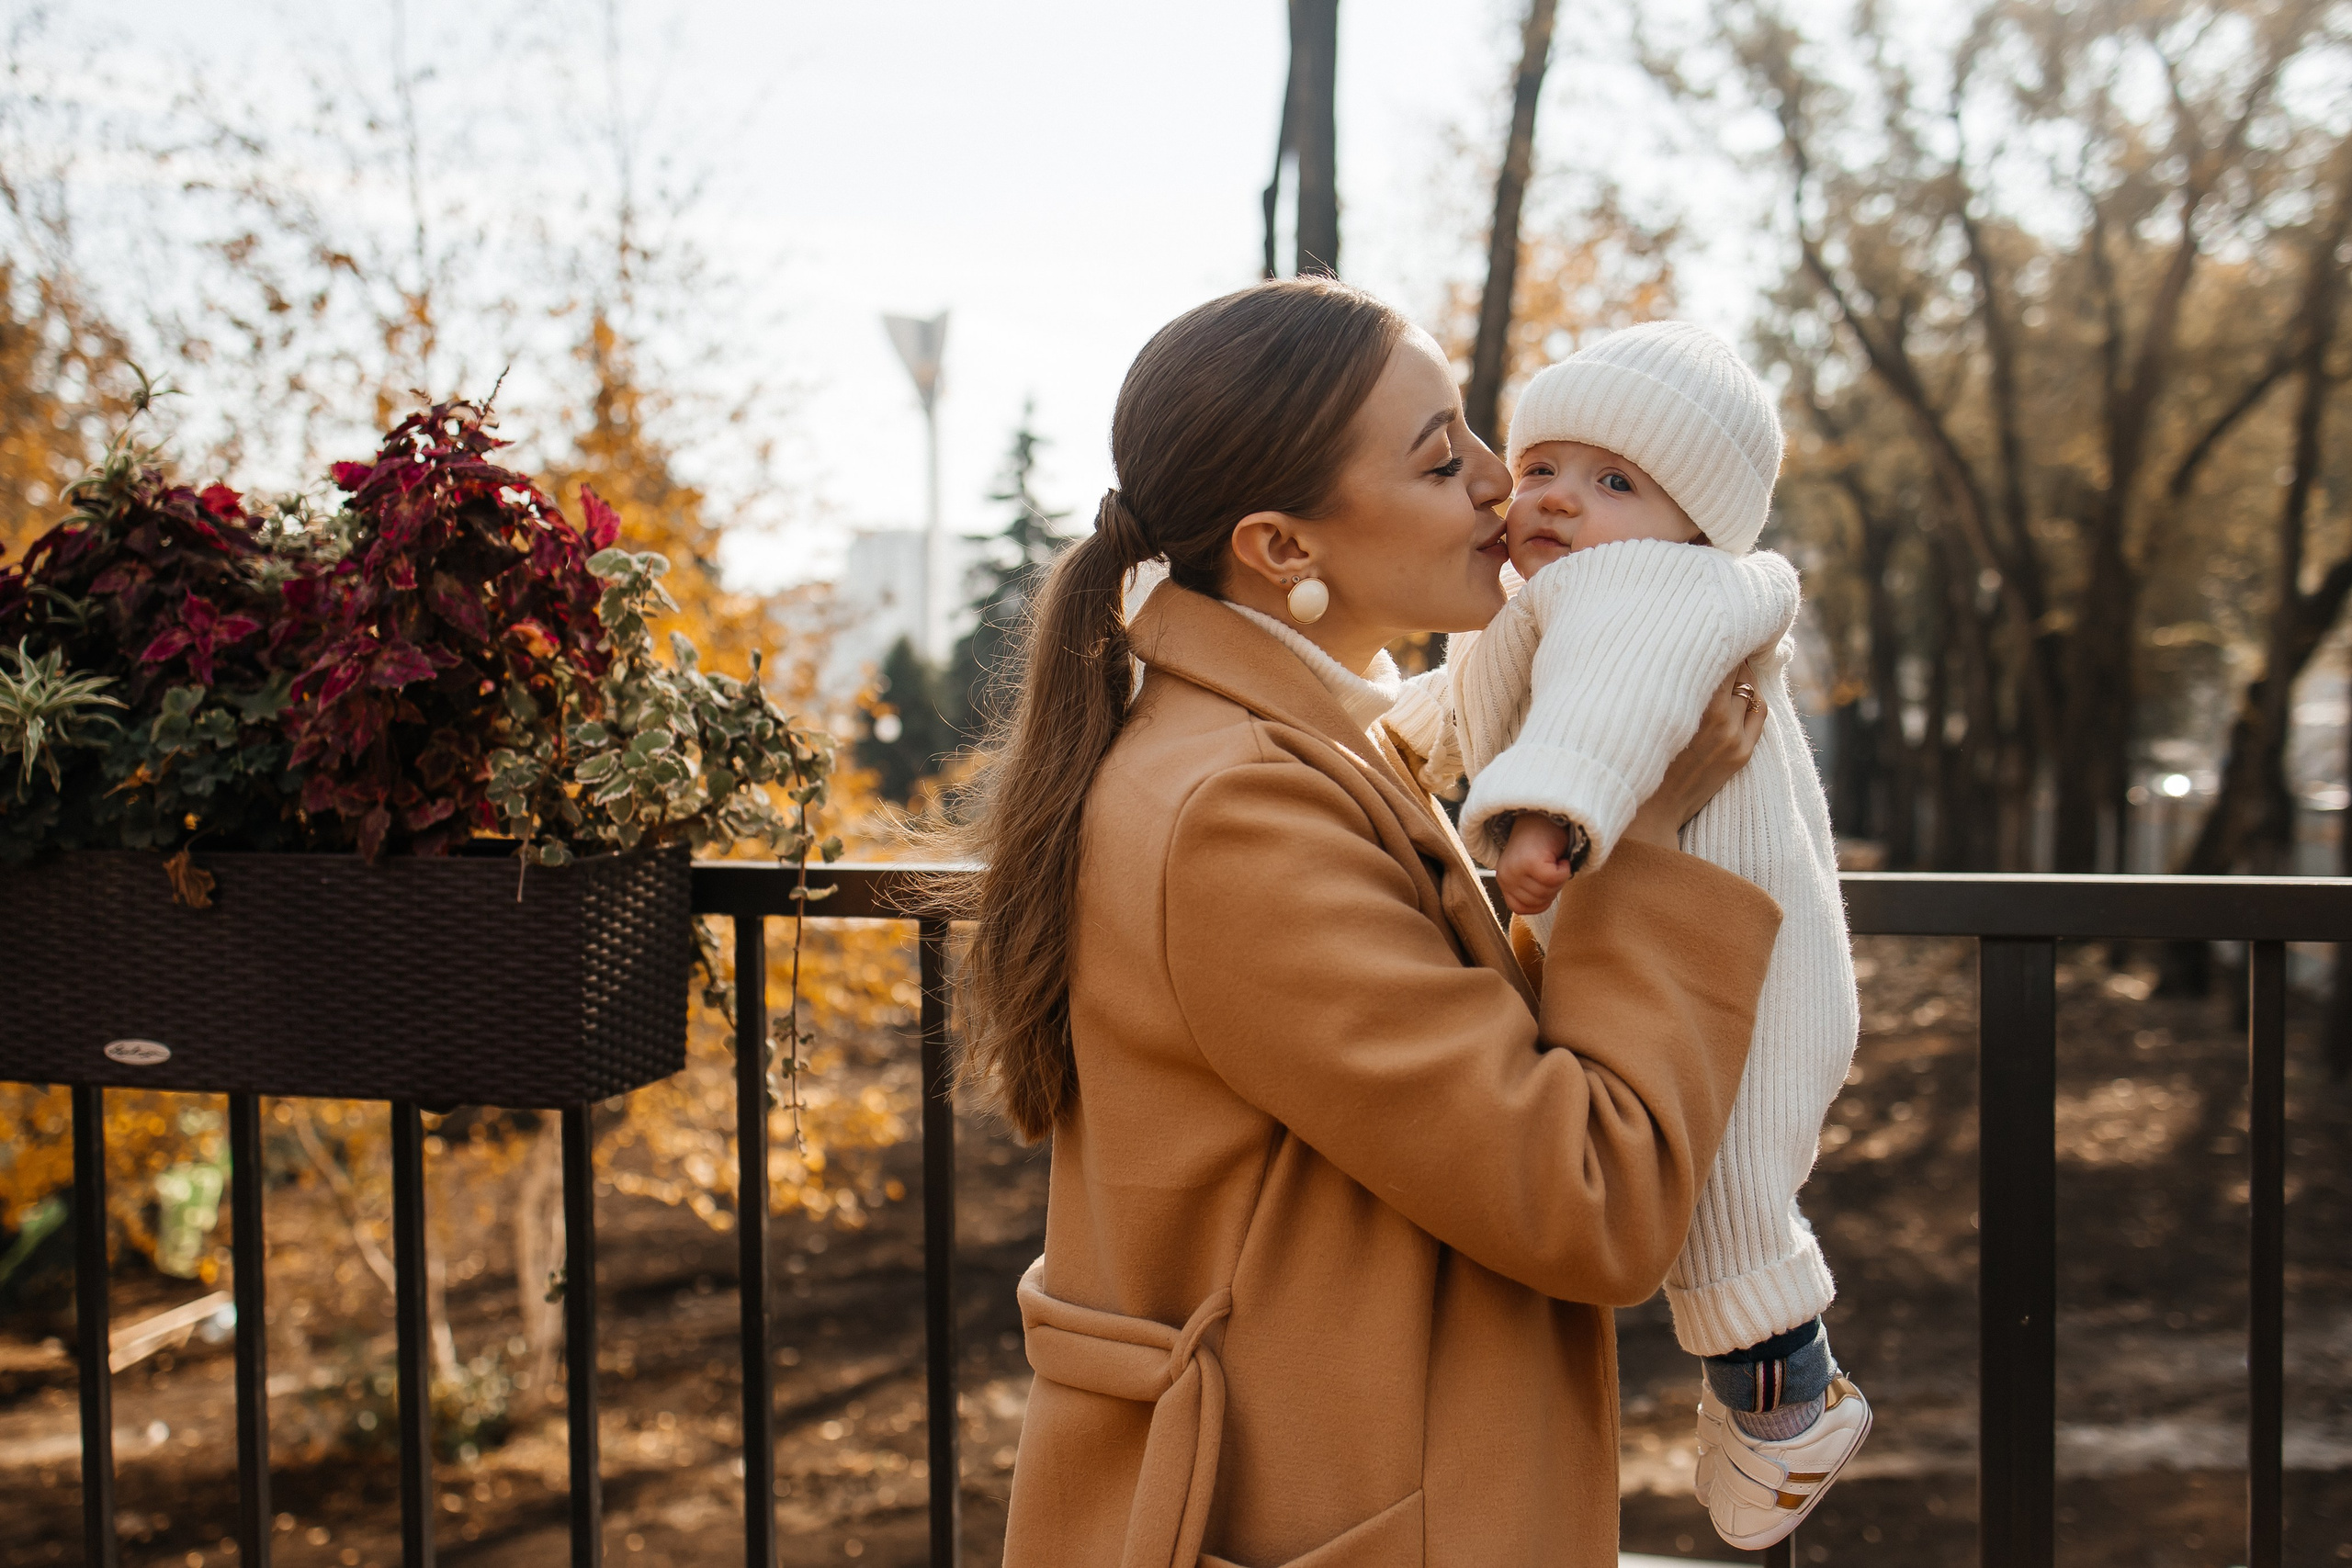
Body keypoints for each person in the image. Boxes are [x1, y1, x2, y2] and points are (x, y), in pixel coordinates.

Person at [949, 276, 1781, 1568]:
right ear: (1285, 550)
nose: (1508, 486)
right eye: (1447, 459)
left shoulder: (1284, 748)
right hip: (1339, 1522)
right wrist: (1649, 845)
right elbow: (1588, 1194)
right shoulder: (1242, 813)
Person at [1402, 321, 1870, 1551]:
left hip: (1732, 966)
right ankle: (1772, 1403)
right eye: (1548, 464)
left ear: (1691, 522)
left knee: (1724, 1210)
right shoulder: (1563, 593)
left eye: (1617, 484)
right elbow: (1471, 699)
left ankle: (1790, 1415)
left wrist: (1547, 809)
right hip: (1686, 943)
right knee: (1716, 1193)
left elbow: (1606, 709)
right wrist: (1398, 732)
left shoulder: (1649, 590)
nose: (1560, 499)